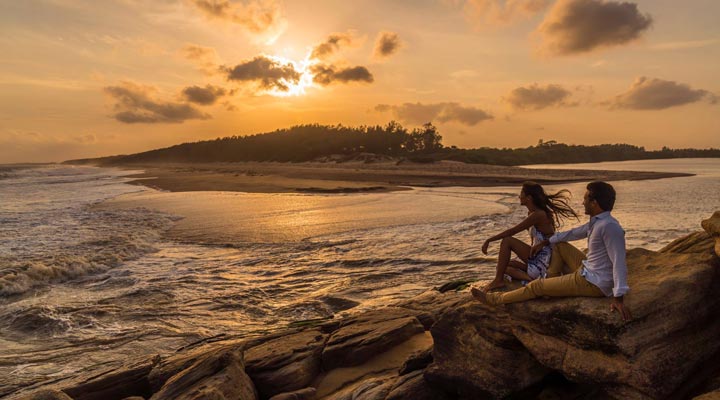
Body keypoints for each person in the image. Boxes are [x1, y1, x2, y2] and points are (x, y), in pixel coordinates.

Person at [472, 181, 633, 322]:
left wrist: (618, 298)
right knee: (559, 244)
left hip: (593, 283)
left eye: (585, 199)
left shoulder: (609, 227)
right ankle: (551, 279)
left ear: (594, 203)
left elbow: (619, 262)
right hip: (588, 269)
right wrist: (546, 241)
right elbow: (574, 233)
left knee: (537, 287)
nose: (583, 202)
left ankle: (495, 299)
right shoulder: (598, 222)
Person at [480, 181, 579, 292]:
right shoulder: (533, 213)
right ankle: (530, 278)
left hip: (545, 258)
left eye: (521, 193)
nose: (519, 196)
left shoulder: (538, 214)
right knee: (503, 266)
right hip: (538, 255)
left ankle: (498, 281)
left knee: (507, 241)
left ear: (529, 198)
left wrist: (489, 240)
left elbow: (513, 231)